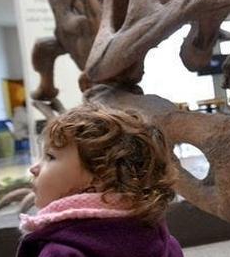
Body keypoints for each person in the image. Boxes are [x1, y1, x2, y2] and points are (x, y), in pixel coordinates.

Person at [17, 104, 183, 257]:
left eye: (50, 157)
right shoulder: (164, 242)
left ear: (100, 175)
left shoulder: (61, 252)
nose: (34, 168)